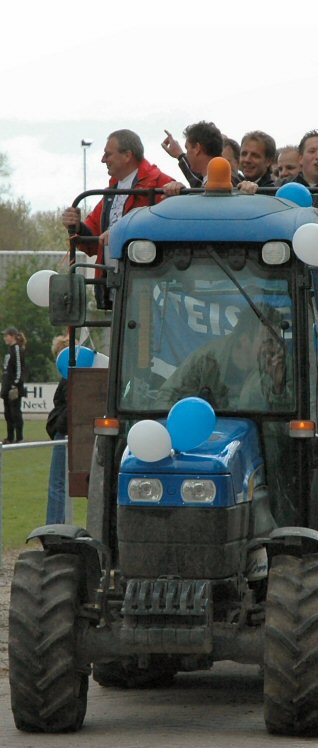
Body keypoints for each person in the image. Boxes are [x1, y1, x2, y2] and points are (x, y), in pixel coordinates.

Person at [62, 129, 173, 308]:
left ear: (128, 155)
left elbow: (173, 231)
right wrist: (76, 226)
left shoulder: (162, 185)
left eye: (108, 154)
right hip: (115, 293)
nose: (103, 160)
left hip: (150, 294)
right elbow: (91, 243)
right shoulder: (111, 193)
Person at [158, 305, 288, 411]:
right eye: (268, 342)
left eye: (278, 341)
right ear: (244, 340)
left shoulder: (281, 365)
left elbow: (285, 424)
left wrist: (278, 388)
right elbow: (167, 397)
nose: (275, 348)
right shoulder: (206, 361)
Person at [45, 335, 70, 524]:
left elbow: (68, 406)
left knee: (57, 483)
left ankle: (53, 525)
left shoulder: (70, 378)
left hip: (65, 432)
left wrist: (57, 425)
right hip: (66, 430)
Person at [161, 121, 229, 188]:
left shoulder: (214, 187)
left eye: (187, 148)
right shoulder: (226, 182)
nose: (187, 155)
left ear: (197, 148)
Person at [1, 327, 27, 444]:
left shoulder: (17, 350)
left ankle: (19, 437)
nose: (4, 338)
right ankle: (9, 437)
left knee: (15, 412)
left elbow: (19, 369)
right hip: (6, 387)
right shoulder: (9, 350)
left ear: (12, 336)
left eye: (6, 335)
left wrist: (15, 384)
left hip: (14, 388)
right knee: (8, 413)